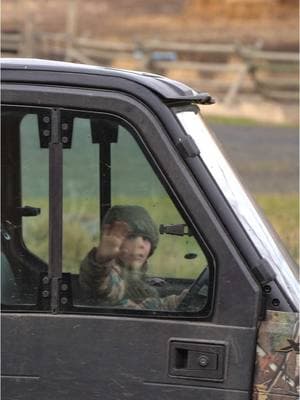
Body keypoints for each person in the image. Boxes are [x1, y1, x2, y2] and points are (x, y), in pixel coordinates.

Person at [79, 205, 186, 310]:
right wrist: (101, 260)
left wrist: (181, 300)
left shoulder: (140, 284)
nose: (140, 244)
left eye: (145, 238)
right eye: (131, 237)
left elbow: (155, 307)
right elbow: (98, 282)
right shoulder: (112, 277)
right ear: (111, 239)